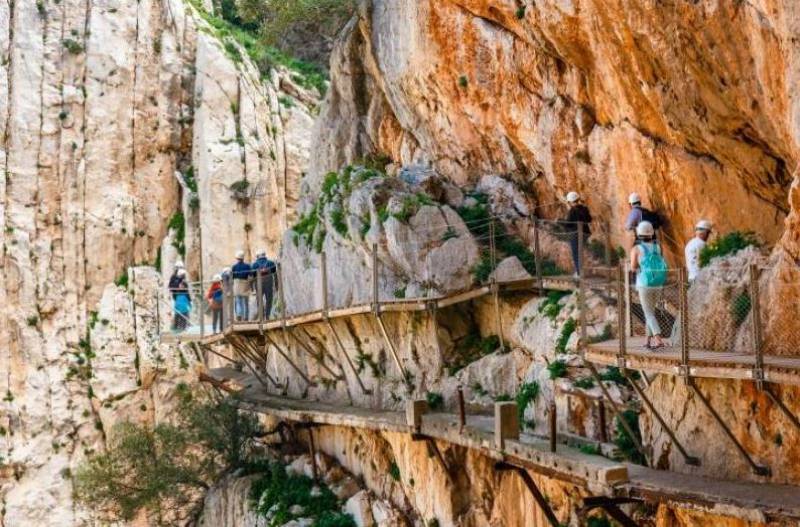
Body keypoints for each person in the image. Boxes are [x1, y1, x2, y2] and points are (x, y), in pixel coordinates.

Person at [630, 221, 668, 349]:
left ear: (639, 234)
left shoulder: (636, 249)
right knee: (650, 312)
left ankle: (658, 340)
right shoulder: (658, 247)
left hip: (644, 284)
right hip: (658, 284)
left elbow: (633, 267)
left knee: (648, 313)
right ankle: (647, 340)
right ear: (652, 233)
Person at [561, 191, 592, 278]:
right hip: (585, 233)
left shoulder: (572, 211)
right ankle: (580, 271)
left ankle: (579, 273)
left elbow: (568, 224)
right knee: (580, 253)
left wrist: (559, 221)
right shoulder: (584, 209)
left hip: (576, 235)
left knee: (576, 254)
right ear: (578, 199)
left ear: (570, 202)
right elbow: (589, 219)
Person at [251, 249, 277, 320]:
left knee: (259, 300)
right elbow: (275, 274)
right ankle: (267, 316)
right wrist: (277, 285)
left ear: (258, 256)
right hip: (269, 283)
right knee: (269, 299)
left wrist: (252, 288)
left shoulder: (254, 265)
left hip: (258, 283)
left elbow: (252, 276)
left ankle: (261, 316)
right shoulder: (271, 263)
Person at [231, 250, 252, 321]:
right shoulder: (247, 266)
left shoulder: (234, 267)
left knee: (238, 301)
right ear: (243, 258)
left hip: (237, 284)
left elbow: (232, 276)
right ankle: (246, 317)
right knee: (245, 302)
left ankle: (239, 315)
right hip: (245, 284)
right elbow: (251, 275)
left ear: (237, 258)